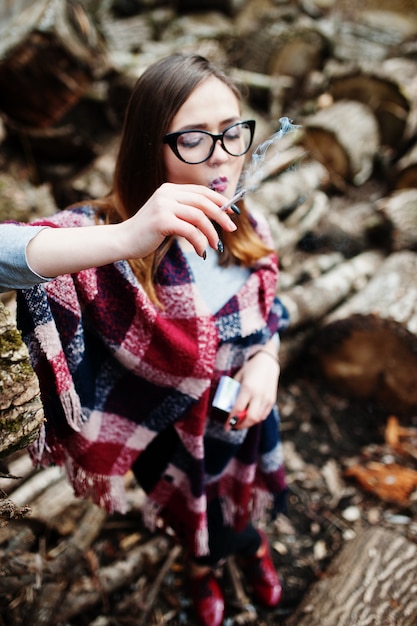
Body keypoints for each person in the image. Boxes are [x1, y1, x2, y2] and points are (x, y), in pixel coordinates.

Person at [0, 54, 289, 626]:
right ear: (148, 146)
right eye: (194, 139)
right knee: (190, 517)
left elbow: (267, 316)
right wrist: (129, 236)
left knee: (241, 499)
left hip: (246, 416)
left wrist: (267, 361)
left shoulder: (248, 223)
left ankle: (252, 548)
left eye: (233, 131)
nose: (224, 156)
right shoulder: (106, 238)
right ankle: (200, 576)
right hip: (166, 431)